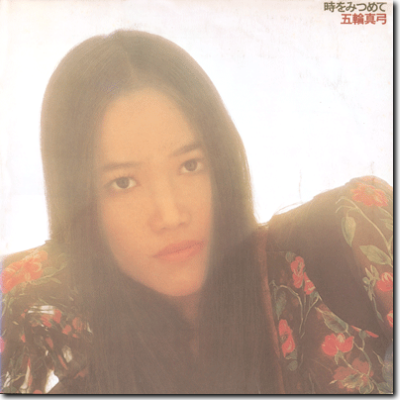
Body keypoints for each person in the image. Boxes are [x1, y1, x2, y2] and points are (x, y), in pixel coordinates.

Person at [0, 30, 393, 394]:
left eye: (190, 165)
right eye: (123, 183)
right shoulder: (87, 367)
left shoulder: (347, 238)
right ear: (80, 207)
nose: (170, 215)